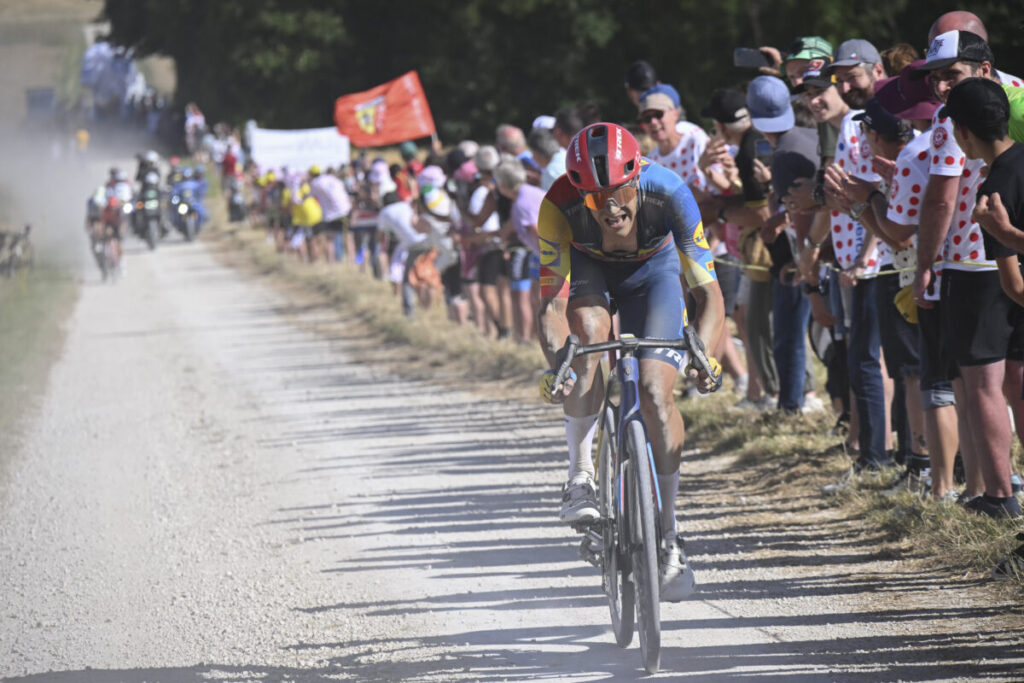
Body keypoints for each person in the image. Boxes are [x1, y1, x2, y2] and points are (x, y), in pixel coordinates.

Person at [537, 122, 724, 601]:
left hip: (654, 274)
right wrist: (560, 364)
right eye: (596, 199)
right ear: (578, 192)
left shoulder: (671, 193)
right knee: (587, 338)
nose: (611, 208)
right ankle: (581, 475)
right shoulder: (557, 206)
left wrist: (706, 357)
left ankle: (670, 535)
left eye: (620, 193)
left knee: (656, 392)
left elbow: (708, 293)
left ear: (638, 177)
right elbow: (552, 307)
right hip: (590, 273)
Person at [912, 29, 1024, 511]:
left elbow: (941, 198)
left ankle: (998, 493)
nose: (942, 87)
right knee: (1017, 382)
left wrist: (925, 264)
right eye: (935, 78)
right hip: (995, 261)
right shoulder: (1016, 101)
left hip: (973, 263)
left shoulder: (954, 121)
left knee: (982, 386)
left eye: (951, 75)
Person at [941, 77, 1024, 518]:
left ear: (963, 132)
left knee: (988, 387)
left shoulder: (993, 189)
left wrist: (1003, 233)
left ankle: (1000, 497)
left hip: (999, 294)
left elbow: (1014, 285)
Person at [494, 157, 545, 342]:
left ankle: (542, 341)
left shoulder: (522, 203)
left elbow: (537, 232)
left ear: (503, 184)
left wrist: (551, 261)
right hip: (542, 255)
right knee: (536, 299)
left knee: (540, 302)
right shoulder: (530, 192)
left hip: (548, 256)